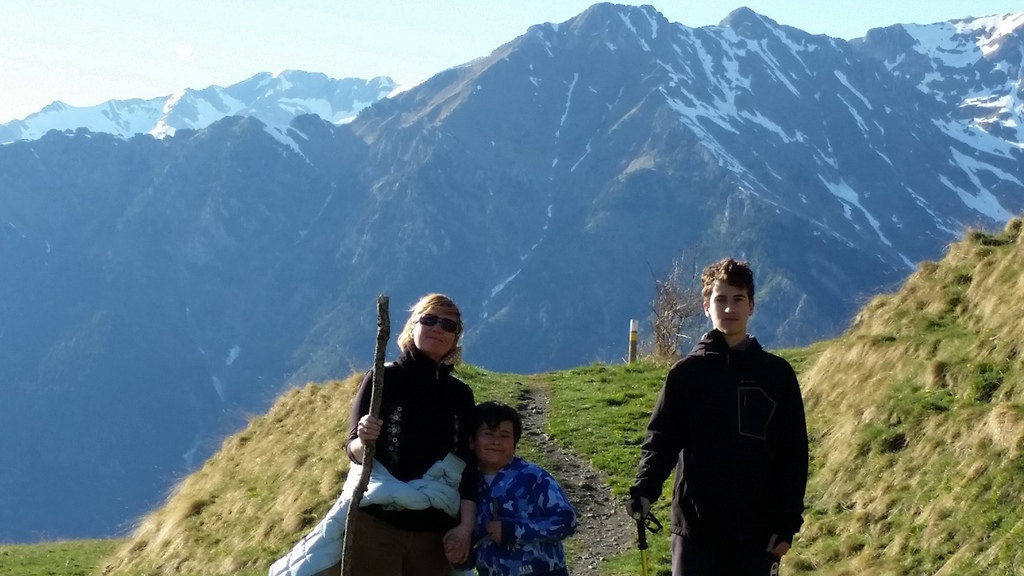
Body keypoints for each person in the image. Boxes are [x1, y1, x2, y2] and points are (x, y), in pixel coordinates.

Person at [626, 258, 809, 576]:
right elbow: (662, 440)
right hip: (695, 529)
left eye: (738, 299)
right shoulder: (686, 375)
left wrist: (786, 524)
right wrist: (644, 490)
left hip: (757, 532)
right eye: (720, 299)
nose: (729, 308)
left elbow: (793, 455)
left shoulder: (776, 375)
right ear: (705, 305)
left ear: (751, 306)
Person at [468, 401, 577, 576]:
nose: (496, 442)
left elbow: (566, 520)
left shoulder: (533, 476)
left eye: (505, 436)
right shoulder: (468, 485)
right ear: (472, 441)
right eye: (488, 434)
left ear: (515, 443)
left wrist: (515, 531)